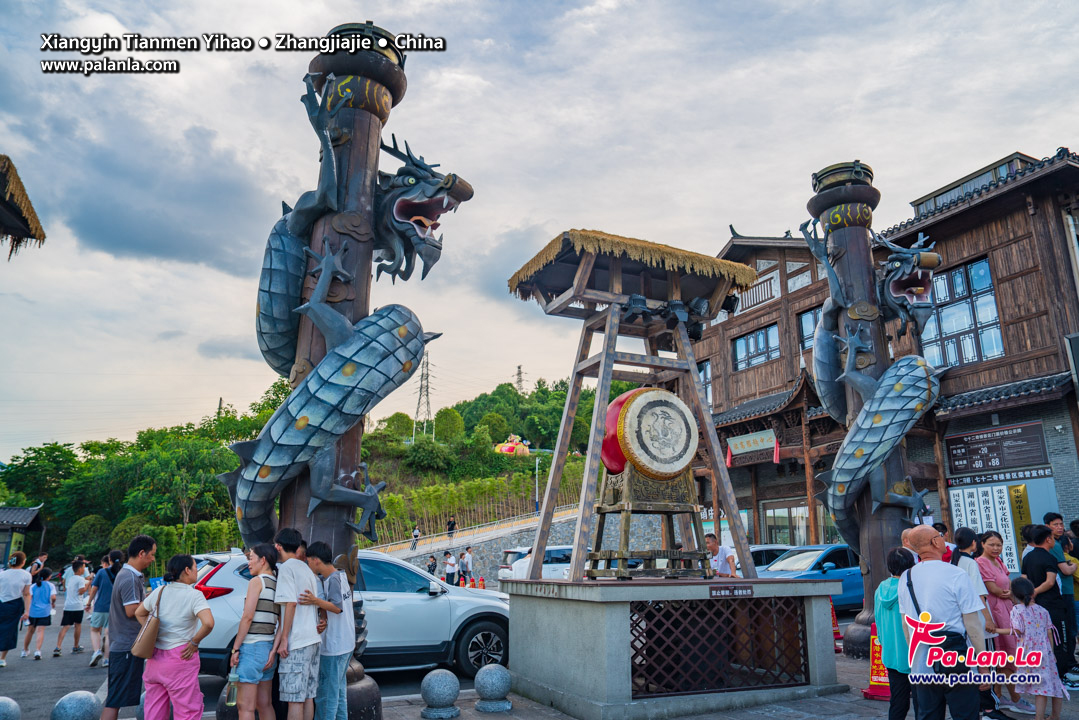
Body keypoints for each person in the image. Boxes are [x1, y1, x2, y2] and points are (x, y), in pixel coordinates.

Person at [897, 525, 985, 720]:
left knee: (928, 715)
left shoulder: (906, 577)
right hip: (957, 659)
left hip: (923, 662)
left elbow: (906, 626)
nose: (943, 539)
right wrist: (983, 664)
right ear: (936, 542)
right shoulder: (956, 574)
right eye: (940, 536)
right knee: (965, 714)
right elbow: (973, 626)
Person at [135, 554, 213, 720]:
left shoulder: (160, 591)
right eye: (195, 568)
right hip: (180, 658)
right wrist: (194, 642)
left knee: (154, 711)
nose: (196, 571)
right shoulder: (194, 595)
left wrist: (151, 634)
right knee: (187, 711)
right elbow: (208, 623)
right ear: (186, 570)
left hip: (155, 659)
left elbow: (139, 612)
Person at [978, 531, 1034, 715]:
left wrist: (1008, 592)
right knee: (1004, 655)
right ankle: (1015, 698)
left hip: (1007, 610)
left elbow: (1007, 588)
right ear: (982, 544)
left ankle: (1000, 696)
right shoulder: (981, 562)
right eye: (991, 544)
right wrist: (1008, 591)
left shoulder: (999, 561)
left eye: (999, 545)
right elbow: (995, 589)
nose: (996, 548)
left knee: (1007, 654)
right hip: (995, 613)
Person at [103, 534, 157, 720]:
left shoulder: (128, 575)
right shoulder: (129, 578)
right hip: (126, 646)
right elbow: (132, 610)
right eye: (152, 554)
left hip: (123, 645)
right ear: (142, 553)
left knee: (115, 698)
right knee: (114, 700)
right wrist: (152, 601)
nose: (153, 559)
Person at [302, 541, 355, 720]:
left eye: (308, 561)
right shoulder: (340, 576)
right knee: (339, 695)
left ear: (316, 560)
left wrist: (314, 600)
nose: (308, 565)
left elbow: (337, 607)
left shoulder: (332, 579)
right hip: (346, 644)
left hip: (335, 646)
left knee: (326, 698)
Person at [273, 528, 322, 720]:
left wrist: (284, 638)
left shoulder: (286, 569)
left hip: (298, 642)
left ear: (278, 547)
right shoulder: (306, 569)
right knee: (308, 696)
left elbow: (291, 603)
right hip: (313, 640)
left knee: (294, 698)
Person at [231, 544, 279, 720]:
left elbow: (247, 617)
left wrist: (235, 649)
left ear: (263, 560)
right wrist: (274, 649)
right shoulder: (276, 583)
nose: (249, 563)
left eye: (251, 558)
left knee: (245, 707)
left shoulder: (257, 582)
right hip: (268, 648)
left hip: (251, 648)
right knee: (264, 704)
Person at [1010, 577, 1069, 720]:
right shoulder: (1043, 610)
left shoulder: (1017, 610)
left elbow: (1018, 631)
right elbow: (1049, 632)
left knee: (1040, 688)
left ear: (1014, 594)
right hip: (1046, 652)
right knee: (1055, 683)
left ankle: (1039, 717)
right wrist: (1052, 654)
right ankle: (1055, 716)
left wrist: (998, 630)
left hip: (1029, 653)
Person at [1021, 524, 1073, 684]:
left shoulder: (1027, 557)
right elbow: (1050, 582)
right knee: (1060, 640)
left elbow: (1024, 579)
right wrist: (1035, 592)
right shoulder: (1049, 557)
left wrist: (1029, 595)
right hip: (1053, 606)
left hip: (1035, 607)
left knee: (1043, 640)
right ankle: (1060, 676)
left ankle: (1047, 674)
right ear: (1048, 539)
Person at [875, 547, 917, 720]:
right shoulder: (910, 588)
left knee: (898, 703)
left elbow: (878, 620)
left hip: (891, 654)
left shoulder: (881, 588)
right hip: (914, 655)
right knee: (924, 703)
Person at [1043, 513, 1078, 684]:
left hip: (1066, 591)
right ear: (1047, 526)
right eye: (1055, 524)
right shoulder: (1054, 545)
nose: (1059, 527)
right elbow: (1065, 570)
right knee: (1068, 629)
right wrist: (1074, 564)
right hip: (1064, 592)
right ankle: (1070, 663)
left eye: (1061, 524)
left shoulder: (1058, 543)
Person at [86, 550, 123, 668]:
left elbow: (94, 589)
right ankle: (106, 659)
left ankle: (97, 651)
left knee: (95, 630)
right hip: (115, 608)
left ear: (109, 560)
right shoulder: (122, 573)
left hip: (100, 606)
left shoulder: (101, 572)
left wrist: (88, 602)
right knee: (108, 633)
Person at [0, 552, 32, 667]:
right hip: (15, 604)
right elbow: (27, 594)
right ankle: (2, 658)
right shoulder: (26, 575)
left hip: (1, 602)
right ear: (23, 562)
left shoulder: (2, 574)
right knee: (9, 631)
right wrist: (27, 611)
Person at [54, 558, 88, 656]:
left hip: (68, 605)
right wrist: (88, 584)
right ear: (80, 569)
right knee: (78, 625)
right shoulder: (81, 579)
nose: (84, 570)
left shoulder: (71, 578)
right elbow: (81, 591)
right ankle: (75, 646)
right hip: (77, 606)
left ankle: (58, 647)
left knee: (65, 626)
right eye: (84, 568)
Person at [22, 566, 56, 660]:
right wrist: (52, 603)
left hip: (33, 611)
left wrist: (26, 610)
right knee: (40, 631)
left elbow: (29, 597)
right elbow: (53, 597)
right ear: (49, 577)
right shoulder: (51, 585)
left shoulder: (33, 586)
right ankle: (37, 650)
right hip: (44, 611)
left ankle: (25, 650)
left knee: (30, 631)